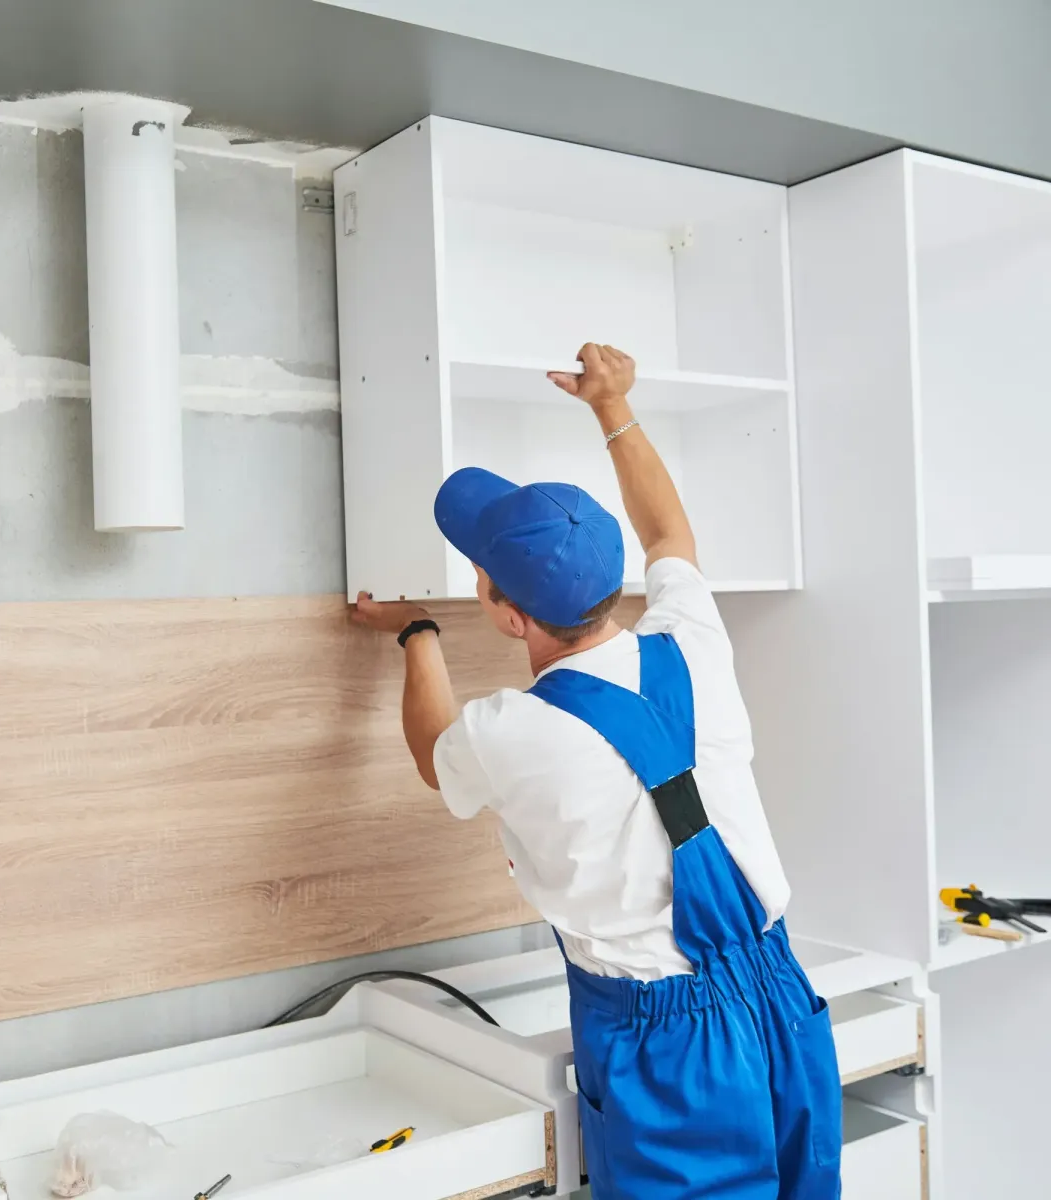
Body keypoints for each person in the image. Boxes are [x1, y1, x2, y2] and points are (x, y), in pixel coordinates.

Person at [353, 342, 842, 1199]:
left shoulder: (516, 727)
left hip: (671, 1041)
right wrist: (611, 404)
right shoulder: (691, 636)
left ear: (506, 615)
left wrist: (417, 635)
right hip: (779, 993)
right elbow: (670, 533)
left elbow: (437, 757)